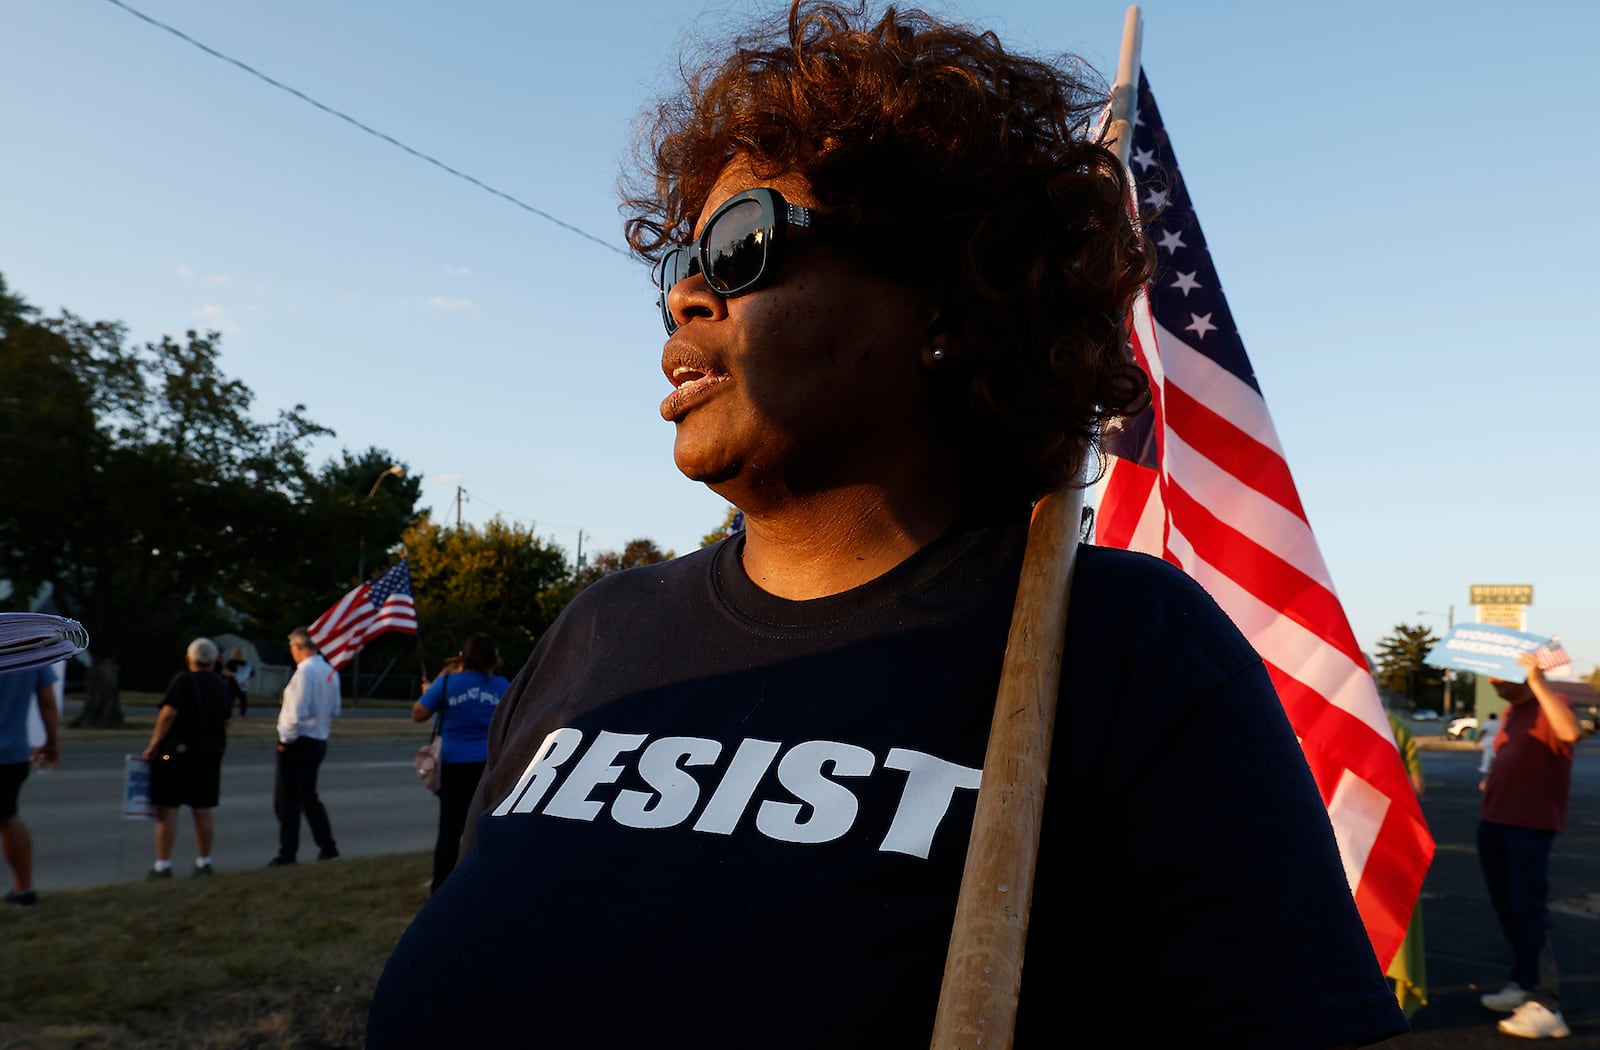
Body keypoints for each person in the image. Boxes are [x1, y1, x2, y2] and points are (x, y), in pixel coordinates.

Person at [368, 5, 1405, 1046]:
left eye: (741, 244)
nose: (686, 294)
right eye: (679, 263)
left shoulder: (1124, 652)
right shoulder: (601, 630)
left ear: (951, 304)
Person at [1476, 651, 1581, 1039]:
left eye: (1498, 677)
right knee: (1508, 909)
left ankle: (1546, 1003)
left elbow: (1569, 733)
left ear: (1522, 676)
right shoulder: (1510, 714)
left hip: (1529, 827)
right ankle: (1523, 983)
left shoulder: (1553, 704)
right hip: (1494, 822)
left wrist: (1538, 681)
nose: (1493, 684)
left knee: (1528, 908)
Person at [411, 635, 508, 892]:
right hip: (488, 764)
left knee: (450, 829)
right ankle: (481, 881)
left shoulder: (447, 684)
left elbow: (418, 714)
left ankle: (442, 885)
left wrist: (441, 681)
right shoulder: (502, 686)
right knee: (482, 825)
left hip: (453, 764)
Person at [141, 637, 232, 878]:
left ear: (189, 658)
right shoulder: (221, 685)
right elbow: (226, 722)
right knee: (202, 809)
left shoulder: (182, 681)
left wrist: (154, 745)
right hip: (209, 754)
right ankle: (204, 861)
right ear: (214, 660)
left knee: (169, 809)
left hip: (177, 753)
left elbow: (168, 713)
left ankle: (163, 865)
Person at [269, 627, 340, 866]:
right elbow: (335, 708)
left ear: (298, 647)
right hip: (318, 739)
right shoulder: (330, 671)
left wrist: (284, 741)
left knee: (286, 801)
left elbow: (295, 713)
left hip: (299, 742)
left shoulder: (304, 673)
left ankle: (287, 852)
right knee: (308, 796)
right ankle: (327, 846)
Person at [0, 665, 59, 907]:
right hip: (12, 754)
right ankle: (24, 887)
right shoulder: (31, 646)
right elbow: (47, 702)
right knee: (8, 817)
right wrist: (52, 743)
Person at [222, 646, 253, 720]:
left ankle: (242, 715)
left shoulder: (244, 663)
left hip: (242, 686)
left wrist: (245, 677)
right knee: (230, 701)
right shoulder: (230, 662)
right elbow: (224, 671)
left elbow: (249, 673)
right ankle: (228, 716)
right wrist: (233, 674)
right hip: (232, 685)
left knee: (243, 701)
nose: (238, 654)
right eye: (236, 653)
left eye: (239, 653)